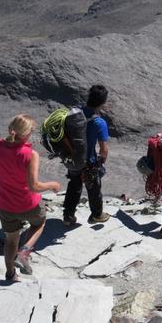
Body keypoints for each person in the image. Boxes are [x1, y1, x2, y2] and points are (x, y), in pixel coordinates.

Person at [0, 114, 60, 282]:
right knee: (39, 224)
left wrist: (1, 180)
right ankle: (24, 252)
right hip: (28, 204)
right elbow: (34, 186)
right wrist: (52, 185)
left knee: (11, 239)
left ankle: (10, 274)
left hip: (5, 205)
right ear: (28, 133)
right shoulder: (30, 154)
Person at [63, 85, 111, 225]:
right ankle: (97, 215)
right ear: (103, 103)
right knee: (94, 187)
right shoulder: (99, 122)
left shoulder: (74, 114)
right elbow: (104, 149)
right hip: (89, 160)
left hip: (73, 158)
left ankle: (68, 216)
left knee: (74, 185)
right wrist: (101, 161)